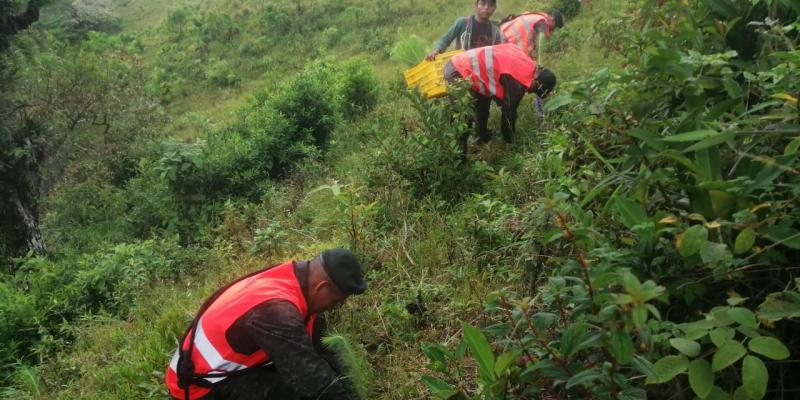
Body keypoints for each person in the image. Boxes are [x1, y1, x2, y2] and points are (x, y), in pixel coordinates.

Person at [165, 248, 367, 400]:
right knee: (292, 392)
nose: (334, 307)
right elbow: (312, 380)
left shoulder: (296, 280)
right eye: (336, 301)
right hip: (197, 388)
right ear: (321, 287)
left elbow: (324, 350)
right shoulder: (277, 312)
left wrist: (353, 390)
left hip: (220, 371)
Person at [444, 43, 556, 146]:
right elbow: (508, 115)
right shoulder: (518, 83)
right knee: (463, 117)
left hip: (463, 63)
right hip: (459, 71)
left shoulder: (526, 62)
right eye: (533, 90)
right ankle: (458, 159)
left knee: (483, 103)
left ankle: (481, 137)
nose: (529, 92)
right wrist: (510, 141)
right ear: (537, 82)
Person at [425, 0, 505, 61]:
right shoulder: (463, 23)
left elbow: (498, 54)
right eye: (483, 3)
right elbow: (445, 40)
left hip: (484, 72)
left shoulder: (495, 31)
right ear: (476, 5)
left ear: (494, 8)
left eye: (490, 5)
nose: (486, 7)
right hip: (463, 68)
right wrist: (436, 50)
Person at [499, 10, 564, 61]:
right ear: (552, 18)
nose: (553, 29)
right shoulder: (542, 23)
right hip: (507, 41)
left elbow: (532, 42)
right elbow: (540, 46)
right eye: (555, 26)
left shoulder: (537, 16)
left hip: (502, 33)